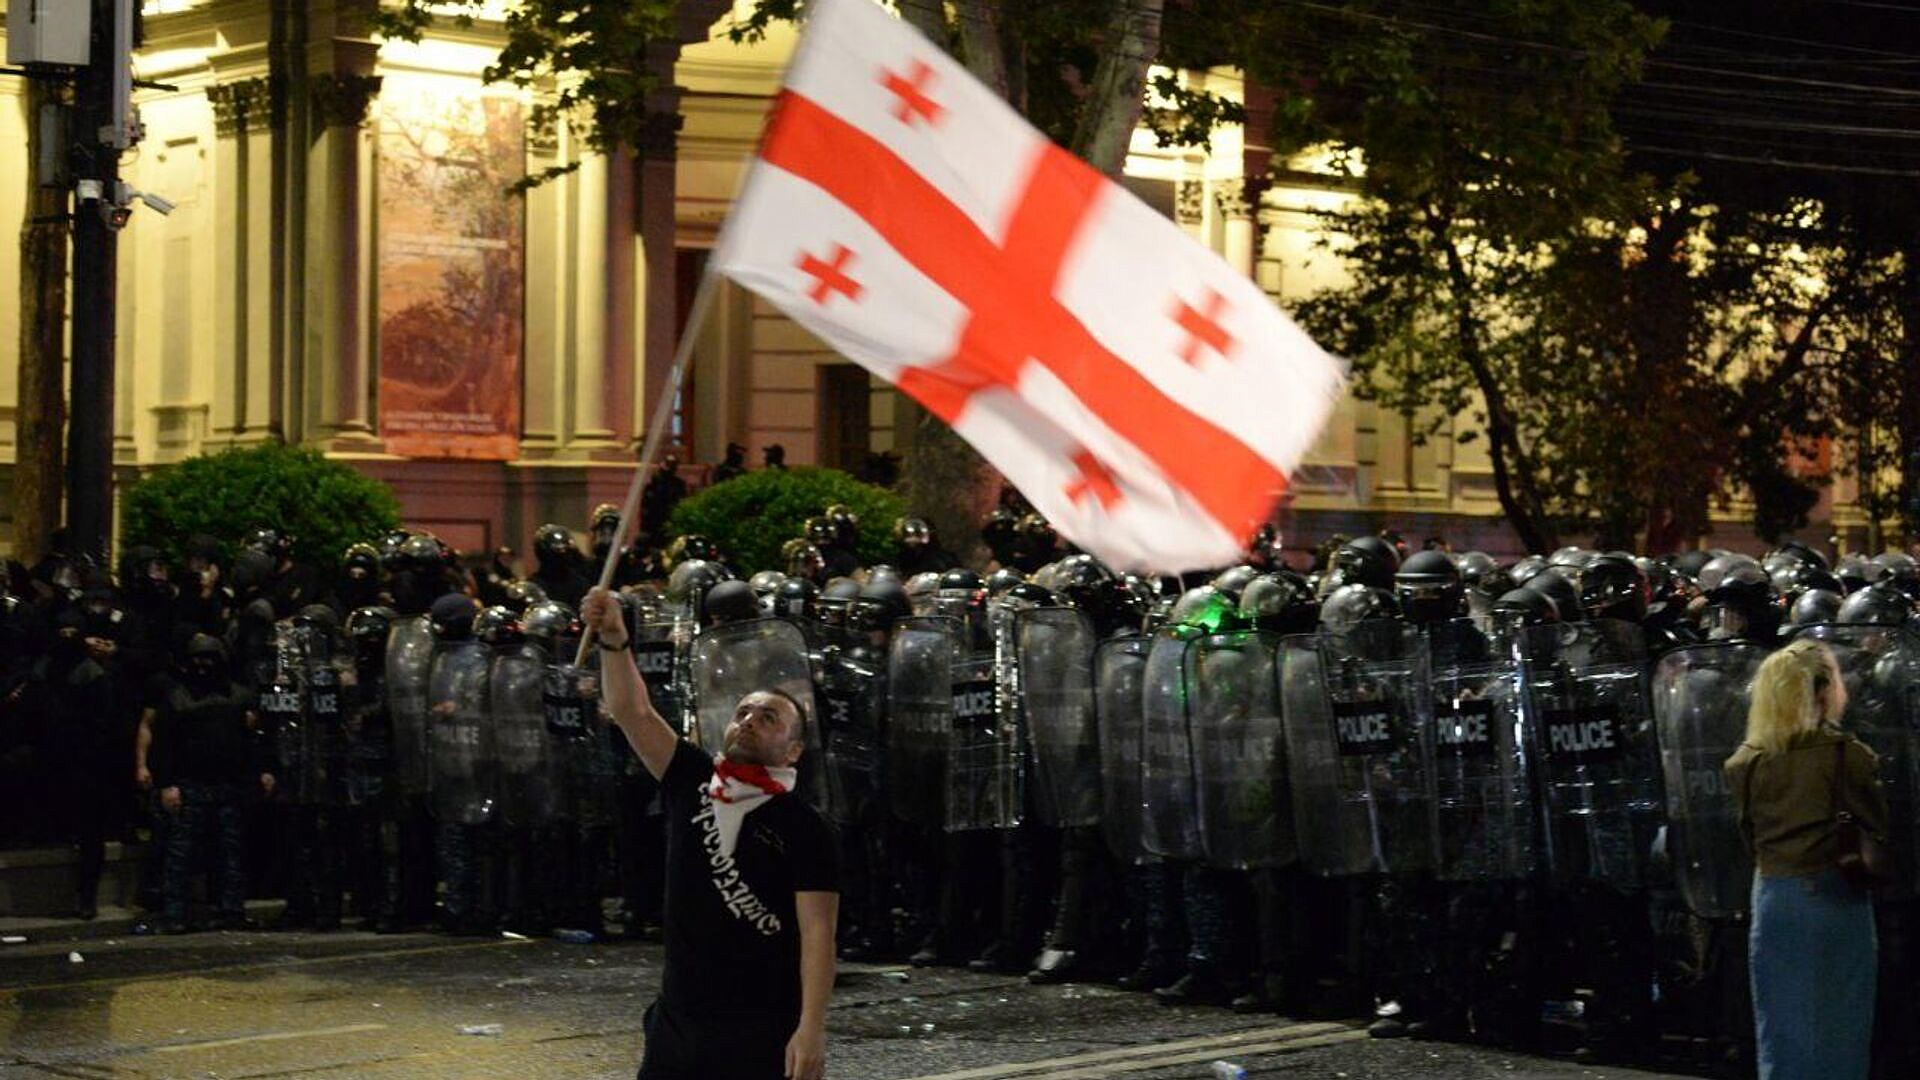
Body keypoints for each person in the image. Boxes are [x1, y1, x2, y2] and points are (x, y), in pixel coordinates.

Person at [582, 586, 837, 1080]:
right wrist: (613, 639)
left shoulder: (805, 826)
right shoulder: (693, 778)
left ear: (793, 752)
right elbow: (634, 713)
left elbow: (818, 934)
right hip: (679, 1018)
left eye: (768, 718)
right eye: (743, 713)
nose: (749, 722)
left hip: (760, 1025)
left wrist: (811, 1028)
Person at [1726, 639, 1888, 1080]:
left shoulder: (1745, 763)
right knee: (1840, 1023)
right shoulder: (1847, 755)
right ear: (1821, 691)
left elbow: (1747, 834)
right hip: (1833, 894)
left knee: (1780, 1023)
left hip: (1771, 895)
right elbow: (1876, 823)